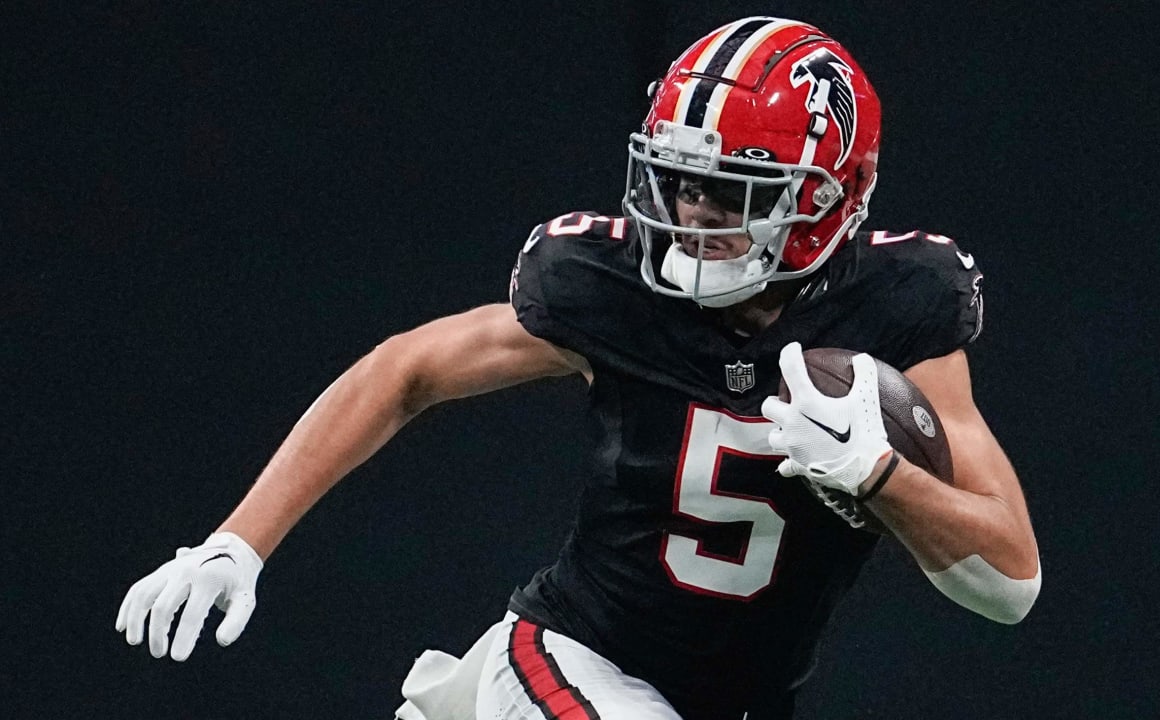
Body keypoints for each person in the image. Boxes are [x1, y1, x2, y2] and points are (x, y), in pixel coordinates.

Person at [116, 16, 1041, 720]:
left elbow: (1009, 584)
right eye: (679, 177)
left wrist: (875, 476)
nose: (691, 208)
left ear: (830, 199)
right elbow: (407, 371)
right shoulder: (611, 287)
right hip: (570, 659)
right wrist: (238, 541)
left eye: (730, 190)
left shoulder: (897, 310)